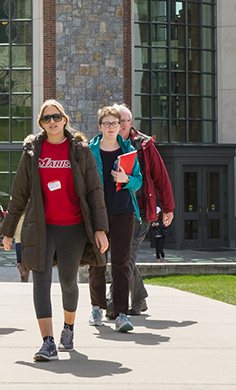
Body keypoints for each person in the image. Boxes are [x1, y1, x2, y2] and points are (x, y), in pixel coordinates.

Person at [1, 99, 109, 361]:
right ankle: (47, 342)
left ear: (64, 119)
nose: (52, 122)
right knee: (40, 282)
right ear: (41, 123)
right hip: (42, 227)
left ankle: (68, 330)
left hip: (72, 228)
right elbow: (19, 193)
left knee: (69, 282)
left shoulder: (80, 151)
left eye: (56, 117)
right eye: (47, 118)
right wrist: (8, 229)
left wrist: (100, 229)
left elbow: (95, 191)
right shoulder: (31, 152)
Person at [113, 103, 174, 315]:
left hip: (139, 213)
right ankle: (139, 298)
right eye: (115, 120)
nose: (119, 125)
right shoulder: (105, 143)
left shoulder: (145, 146)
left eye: (123, 121)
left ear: (131, 123)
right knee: (121, 257)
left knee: (125, 257)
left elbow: (161, 178)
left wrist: (168, 208)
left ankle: (114, 301)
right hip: (114, 211)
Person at [87, 106, 142, 332]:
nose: (111, 128)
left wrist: (125, 178)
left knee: (121, 263)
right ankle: (97, 308)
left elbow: (138, 182)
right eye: (106, 124)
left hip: (124, 213)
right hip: (98, 214)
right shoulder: (89, 151)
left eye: (115, 124)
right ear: (100, 127)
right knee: (97, 262)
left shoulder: (129, 150)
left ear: (121, 126)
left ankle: (121, 314)